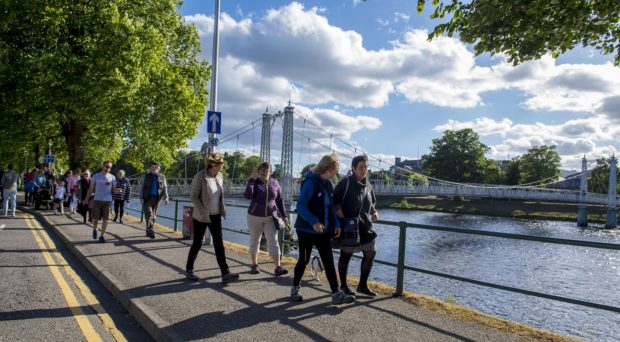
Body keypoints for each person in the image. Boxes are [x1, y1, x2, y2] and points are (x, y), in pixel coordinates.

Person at [290, 154, 354, 304]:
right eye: (336, 170)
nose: (336, 174)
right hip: (306, 229)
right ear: (329, 168)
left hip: (322, 231)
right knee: (304, 259)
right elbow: (300, 206)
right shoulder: (310, 182)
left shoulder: (328, 184)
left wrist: (336, 224)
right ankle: (295, 289)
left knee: (328, 261)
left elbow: (331, 207)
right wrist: (314, 221)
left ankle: (336, 293)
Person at [185, 153, 239, 284]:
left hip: (215, 215)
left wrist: (222, 209)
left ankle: (225, 273)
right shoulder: (200, 176)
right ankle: (189, 269)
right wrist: (203, 211)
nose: (223, 165)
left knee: (219, 243)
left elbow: (219, 196)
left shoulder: (219, 176)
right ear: (214, 165)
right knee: (197, 243)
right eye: (222, 163)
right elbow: (193, 196)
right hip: (201, 216)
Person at [334, 155, 379, 297]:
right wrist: (340, 215)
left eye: (366, 167)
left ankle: (362, 285)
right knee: (346, 256)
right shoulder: (345, 183)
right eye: (361, 167)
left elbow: (371, 202)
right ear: (353, 168)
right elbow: (335, 201)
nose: (364, 169)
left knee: (371, 253)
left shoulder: (368, 185)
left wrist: (374, 211)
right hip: (349, 227)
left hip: (365, 227)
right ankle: (344, 286)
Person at [244, 162, 289, 276]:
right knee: (255, 241)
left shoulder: (275, 183)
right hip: (254, 217)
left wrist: (284, 216)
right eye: (262, 170)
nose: (264, 172)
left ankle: (278, 267)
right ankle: (254, 265)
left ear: (270, 172)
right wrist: (251, 180)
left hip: (270, 217)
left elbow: (280, 200)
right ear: (258, 171)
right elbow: (248, 196)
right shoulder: (255, 182)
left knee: (273, 241)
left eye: (266, 170)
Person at [83, 161, 118, 243]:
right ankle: (95, 229)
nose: (108, 168)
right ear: (103, 166)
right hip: (97, 200)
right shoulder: (96, 176)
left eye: (110, 167)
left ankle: (101, 236)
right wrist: (86, 199)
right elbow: (91, 189)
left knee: (106, 219)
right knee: (95, 219)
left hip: (108, 201)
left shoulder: (112, 177)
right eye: (106, 166)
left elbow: (113, 189)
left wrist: (118, 190)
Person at [141, 162, 169, 239]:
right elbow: (142, 187)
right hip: (147, 198)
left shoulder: (162, 177)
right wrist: (141, 197)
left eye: (155, 168)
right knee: (149, 213)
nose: (153, 169)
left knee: (153, 216)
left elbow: (165, 188)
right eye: (152, 167)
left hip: (157, 199)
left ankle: (148, 230)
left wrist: (166, 197)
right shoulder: (146, 176)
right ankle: (151, 230)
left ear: (159, 169)